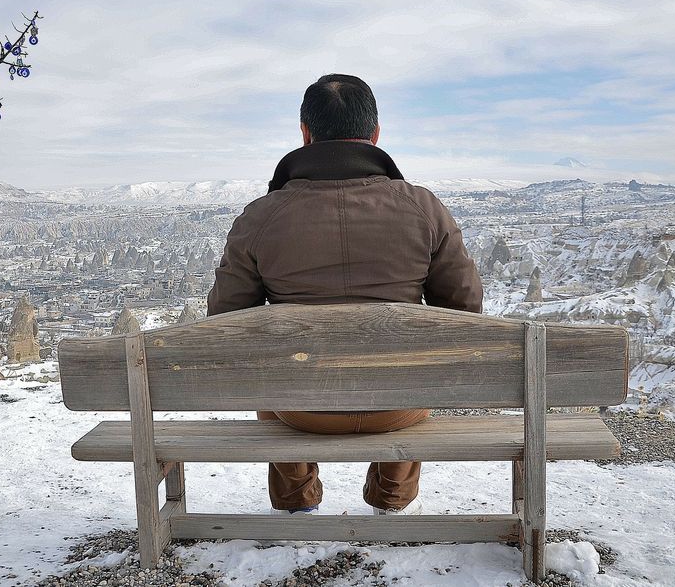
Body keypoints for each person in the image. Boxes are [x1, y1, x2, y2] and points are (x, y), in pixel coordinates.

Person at [206, 73, 483, 515]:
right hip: (399, 406)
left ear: (304, 134)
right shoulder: (423, 208)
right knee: (414, 366)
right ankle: (390, 501)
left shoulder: (261, 216)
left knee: (267, 375)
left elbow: (225, 321)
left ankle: (297, 502)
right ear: (375, 135)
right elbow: (464, 310)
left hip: (298, 409)